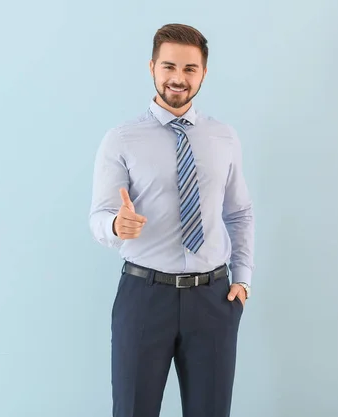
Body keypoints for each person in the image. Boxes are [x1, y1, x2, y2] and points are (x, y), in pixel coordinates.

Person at [89, 23, 255, 417]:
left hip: (212, 298)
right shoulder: (122, 138)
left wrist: (243, 280)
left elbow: (239, 212)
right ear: (152, 68)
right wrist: (116, 226)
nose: (178, 79)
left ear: (203, 73)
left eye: (189, 69)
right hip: (145, 295)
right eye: (168, 67)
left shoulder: (224, 137)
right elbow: (98, 216)